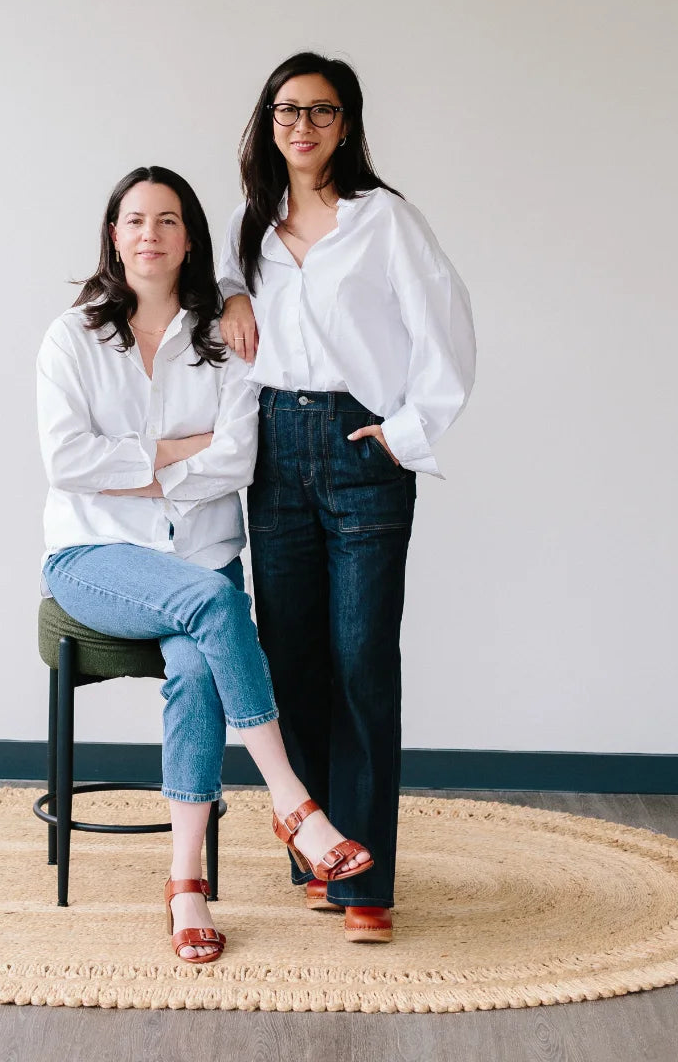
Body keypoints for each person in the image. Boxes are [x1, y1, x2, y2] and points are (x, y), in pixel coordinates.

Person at [37, 165, 376, 964]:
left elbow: (237, 460)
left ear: (190, 238)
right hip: (93, 557)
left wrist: (135, 462)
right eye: (132, 221)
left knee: (197, 660)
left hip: (199, 557)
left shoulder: (226, 338)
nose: (148, 235)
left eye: (165, 221)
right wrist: (175, 451)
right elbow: (64, 460)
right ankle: (292, 801)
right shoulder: (71, 337)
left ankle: (184, 884)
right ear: (112, 237)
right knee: (218, 609)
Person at [218, 54, 476, 944]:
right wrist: (229, 293)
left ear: (347, 123)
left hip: (358, 443)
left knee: (361, 656)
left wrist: (402, 432)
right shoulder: (253, 224)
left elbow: (448, 324)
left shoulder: (384, 221)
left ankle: (368, 882)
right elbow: (218, 292)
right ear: (268, 122)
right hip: (273, 452)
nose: (303, 126)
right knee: (289, 658)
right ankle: (315, 853)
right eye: (288, 110)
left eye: (322, 112)